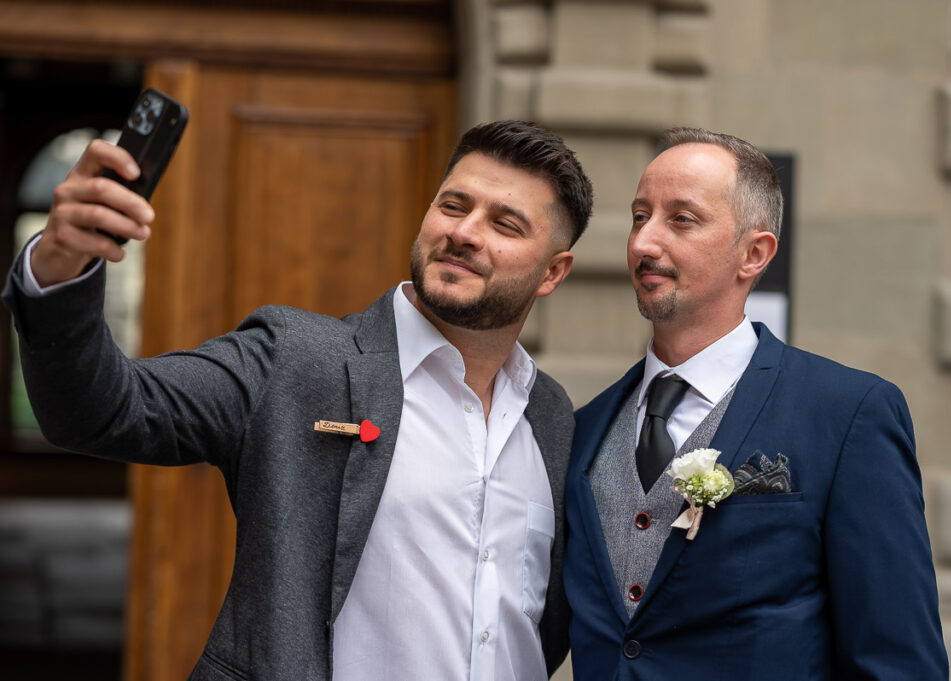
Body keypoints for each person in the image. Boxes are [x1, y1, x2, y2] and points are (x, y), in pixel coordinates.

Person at [4, 120, 593, 681]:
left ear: (553, 272)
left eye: (505, 224)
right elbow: (104, 410)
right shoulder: (294, 360)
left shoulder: (552, 418)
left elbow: (545, 625)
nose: (464, 232)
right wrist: (60, 268)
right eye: (453, 205)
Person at [563, 127, 948, 680]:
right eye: (639, 216)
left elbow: (897, 661)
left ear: (754, 253)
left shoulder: (848, 414)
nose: (644, 243)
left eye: (681, 219)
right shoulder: (586, 429)